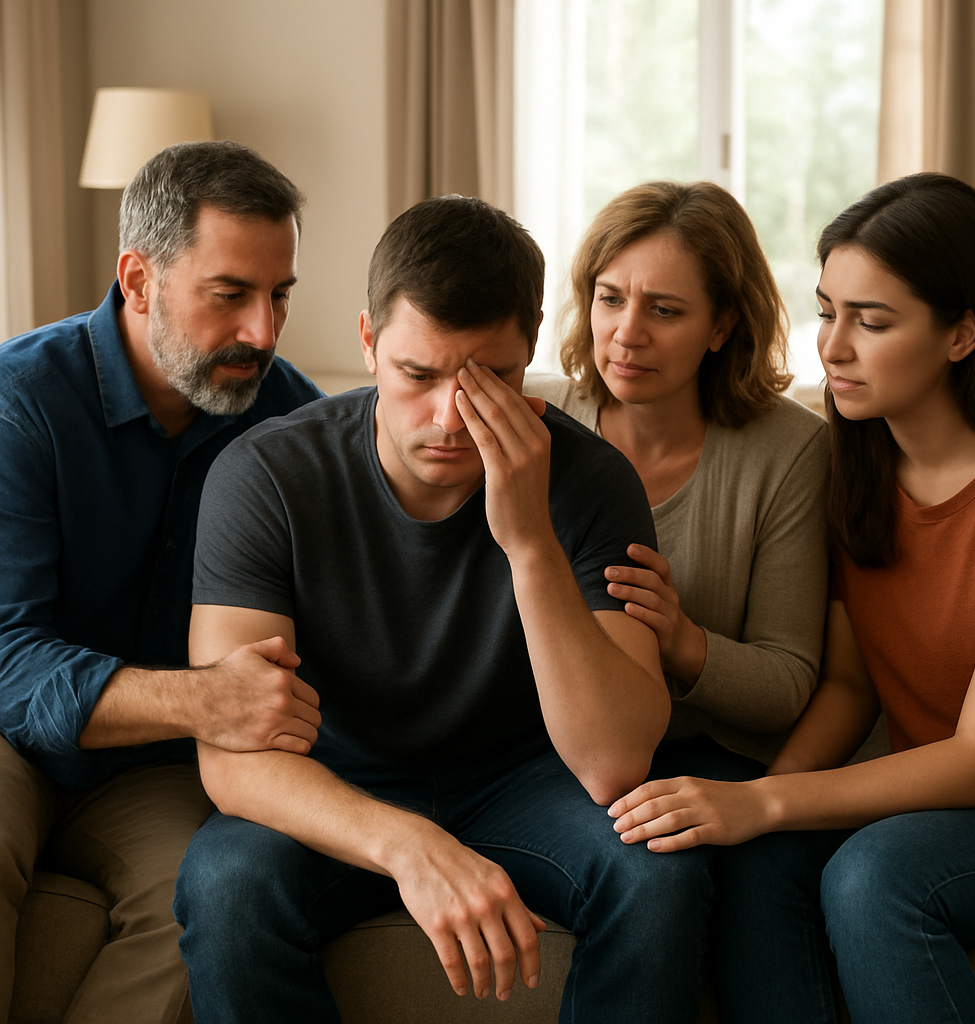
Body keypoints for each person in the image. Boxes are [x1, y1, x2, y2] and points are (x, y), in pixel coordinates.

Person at [174, 194, 705, 1024]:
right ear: (368, 342)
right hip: (339, 777)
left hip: (523, 781)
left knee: (659, 871)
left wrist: (528, 539)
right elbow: (230, 757)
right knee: (226, 883)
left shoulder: (591, 481)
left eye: (490, 379)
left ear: (531, 344)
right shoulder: (267, 475)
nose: (449, 418)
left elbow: (613, 766)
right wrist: (406, 844)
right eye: (417, 376)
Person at [608, 173, 975, 1024]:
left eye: (871, 322)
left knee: (877, 879)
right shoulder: (855, 464)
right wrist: (754, 809)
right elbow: (848, 686)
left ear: (962, 334)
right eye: (828, 310)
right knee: (757, 868)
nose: (832, 347)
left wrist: (762, 800)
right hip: (938, 800)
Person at [0, 140, 323, 1024]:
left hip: (161, 775)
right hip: (11, 750)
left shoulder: (292, 420)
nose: (262, 331)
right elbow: (4, 657)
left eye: (280, 296)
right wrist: (201, 700)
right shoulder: (19, 403)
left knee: (201, 899)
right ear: (138, 280)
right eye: (230, 295)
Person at [529, 180, 828, 779]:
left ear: (722, 327)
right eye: (609, 299)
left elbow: (788, 684)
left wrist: (682, 639)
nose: (627, 332)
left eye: (664, 310)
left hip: (716, 763)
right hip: (546, 760)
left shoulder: (792, 449)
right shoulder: (534, 414)